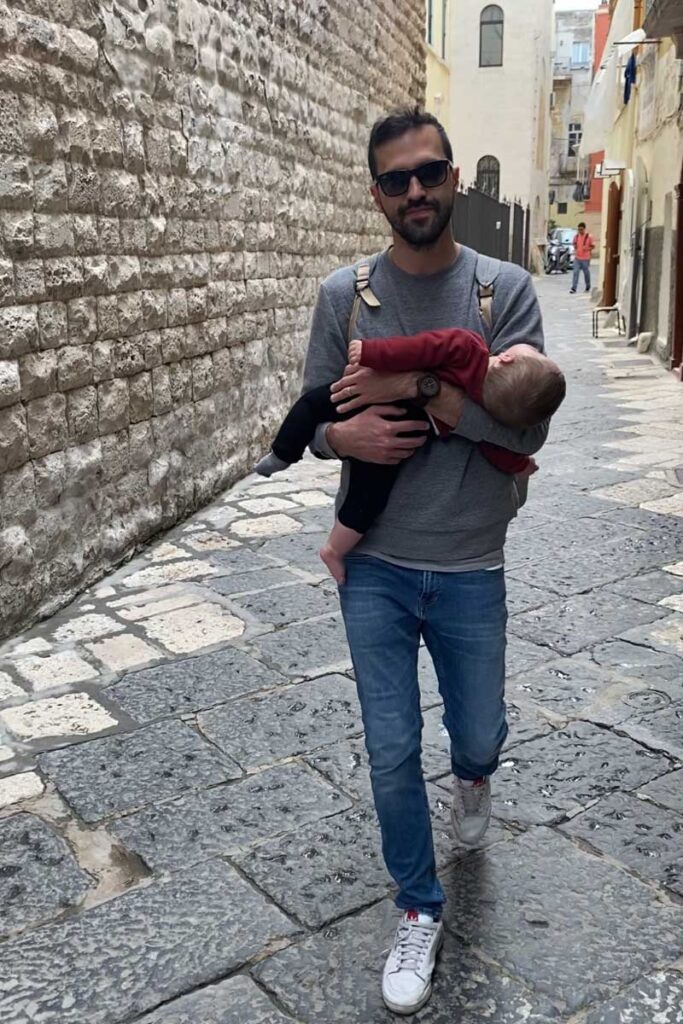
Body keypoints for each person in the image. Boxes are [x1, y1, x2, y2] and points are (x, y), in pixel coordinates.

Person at [302, 107, 553, 1016]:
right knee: (390, 747)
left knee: (475, 734)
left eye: (429, 173)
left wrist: (420, 391)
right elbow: (311, 420)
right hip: (373, 561)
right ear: (376, 194)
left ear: (453, 181)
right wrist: (344, 433)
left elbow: (523, 424)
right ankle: (417, 904)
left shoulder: (504, 292)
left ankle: (477, 777)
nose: (415, 191)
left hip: (470, 563)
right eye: (396, 179)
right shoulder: (344, 297)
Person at [256, 329, 565, 583]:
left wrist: (369, 352)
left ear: (507, 357)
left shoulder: (468, 347)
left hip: (378, 418)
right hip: (404, 435)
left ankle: (282, 454)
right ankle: (334, 550)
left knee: (311, 405)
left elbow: (417, 349)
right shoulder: (485, 409)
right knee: (369, 498)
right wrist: (520, 465)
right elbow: (497, 448)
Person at [570, 221, 595, 293]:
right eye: (579, 229)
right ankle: (573, 288)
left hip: (585, 258)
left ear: (584, 229)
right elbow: (574, 243)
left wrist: (587, 248)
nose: (580, 231)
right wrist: (575, 248)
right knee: (575, 273)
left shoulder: (589, 237)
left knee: (586, 273)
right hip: (577, 258)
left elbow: (593, 246)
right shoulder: (576, 236)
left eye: (581, 229)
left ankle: (588, 286)